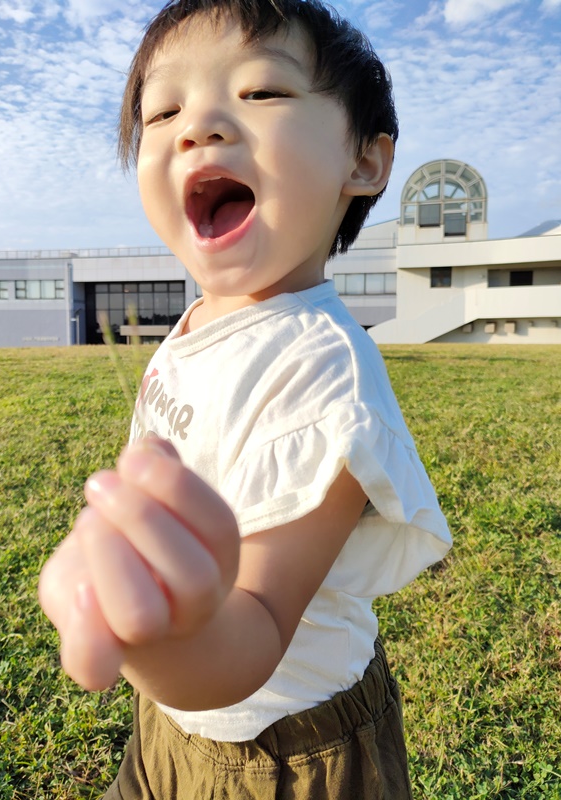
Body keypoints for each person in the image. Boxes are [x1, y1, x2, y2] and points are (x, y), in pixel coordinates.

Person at [39, 0, 452, 797]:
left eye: (261, 92)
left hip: (284, 748)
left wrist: (158, 640)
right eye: (164, 110)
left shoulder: (322, 366)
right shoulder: (196, 323)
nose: (199, 126)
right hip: (168, 720)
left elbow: (257, 624)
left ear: (364, 162)